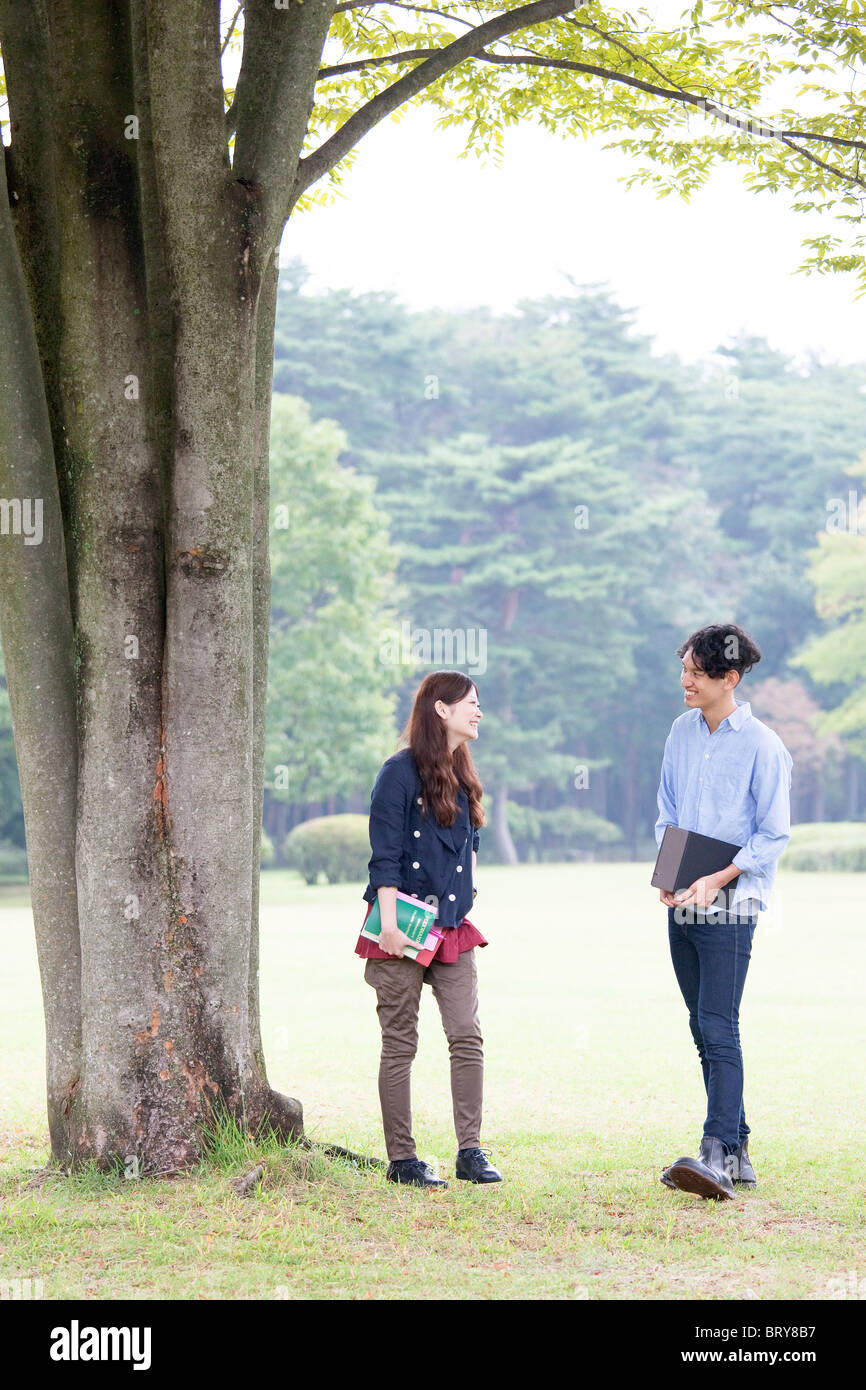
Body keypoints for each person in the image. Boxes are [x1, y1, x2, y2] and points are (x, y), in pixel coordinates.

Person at [654, 624, 793, 1200]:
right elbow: (667, 806)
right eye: (683, 669)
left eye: (696, 672)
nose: (685, 680)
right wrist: (670, 873)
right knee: (700, 1024)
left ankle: (716, 1150)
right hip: (683, 899)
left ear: (729, 678)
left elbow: (773, 834)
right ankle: (737, 1147)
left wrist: (718, 877)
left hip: (733, 906)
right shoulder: (680, 732)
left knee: (718, 1023)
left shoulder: (764, 745)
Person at [358, 670, 501, 1189]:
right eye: (471, 702)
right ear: (441, 709)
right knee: (400, 1043)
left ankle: (470, 1152)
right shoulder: (398, 772)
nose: (479, 711)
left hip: (452, 929)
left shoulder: (461, 771)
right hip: (402, 928)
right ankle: (403, 1161)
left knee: (466, 1035)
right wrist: (390, 927)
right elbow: (386, 857)